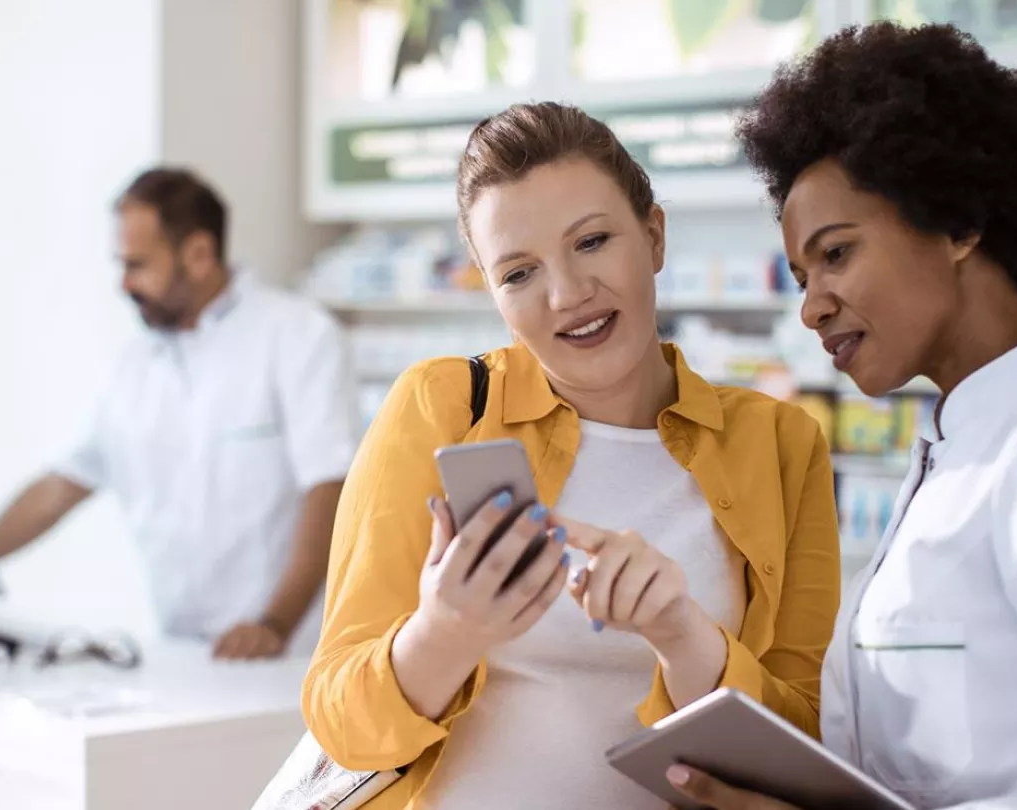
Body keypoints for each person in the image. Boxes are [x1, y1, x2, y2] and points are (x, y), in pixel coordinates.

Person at [664, 22, 1017, 810]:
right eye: (799, 274)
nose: (813, 306)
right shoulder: (955, 455)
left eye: (837, 253)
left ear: (957, 222)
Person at [300, 102, 841, 809]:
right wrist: (443, 634)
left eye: (591, 242)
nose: (566, 294)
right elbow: (340, 724)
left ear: (653, 236)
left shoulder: (780, 444)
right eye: (518, 274)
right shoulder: (439, 409)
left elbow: (805, 742)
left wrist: (683, 638)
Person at [0, 168, 356, 660]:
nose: (123, 283)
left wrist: (275, 623)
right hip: (184, 654)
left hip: (290, 652)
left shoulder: (299, 336)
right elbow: (61, 486)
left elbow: (331, 488)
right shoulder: (135, 364)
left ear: (199, 254)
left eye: (137, 264)